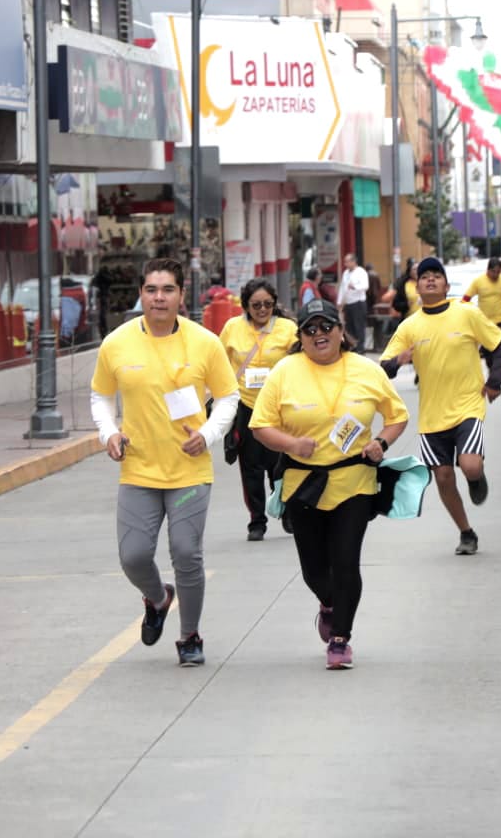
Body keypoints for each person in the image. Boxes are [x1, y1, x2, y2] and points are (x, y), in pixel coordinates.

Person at [89, 258, 239, 668]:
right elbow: (101, 396)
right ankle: (158, 598)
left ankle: (189, 635)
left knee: (186, 553)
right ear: (141, 294)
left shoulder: (204, 342)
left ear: (180, 295)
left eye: (168, 289)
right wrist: (109, 433)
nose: (159, 297)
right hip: (138, 468)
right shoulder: (116, 343)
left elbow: (228, 397)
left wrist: (208, 435)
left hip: (189, 470)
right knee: (133, 556)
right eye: (152, 289)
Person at [250, 298, 409, 669]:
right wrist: (292, 444)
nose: (319, 334)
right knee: (314, 569)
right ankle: (329, 602)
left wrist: (381, 442)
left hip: (354, 480)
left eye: (326, 327)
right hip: (303, 482)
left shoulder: (367, 371)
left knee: (346, 561)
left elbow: (397, 416)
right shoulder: (285, 371)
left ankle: (340, 639)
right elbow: (260, 426)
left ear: (341, 332)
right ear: (300, 337)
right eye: (310, 329)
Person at [379, 257, 501, 555]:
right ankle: (466, 532)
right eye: (425, 277)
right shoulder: (410, 326)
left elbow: (499, 343)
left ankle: (476, 477)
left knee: (470, 465)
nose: (431, 280)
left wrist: (495, 382)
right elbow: (383, 366)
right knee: (443, 477)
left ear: (446, 285)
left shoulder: (467, 314)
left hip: (467, 406)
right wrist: (398, 361)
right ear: (417, 286)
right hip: (432, 416)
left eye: (437, 275)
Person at [219, 278, 298, 541]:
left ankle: (287, 510)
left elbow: (301, 361)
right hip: (247, 406)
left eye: (267, 304)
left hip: (279, 408)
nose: (262, 310)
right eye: (256, 305)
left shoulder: (288, 328)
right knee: (250, 467)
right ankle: (257, 521)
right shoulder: (232, 328)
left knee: (282, 464)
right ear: (245, 306)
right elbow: (218, 362)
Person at [462, 256, 501, 375]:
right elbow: (466, 298)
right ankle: (490, 365)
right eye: (493, 271)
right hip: (484, 320)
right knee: (488, 348)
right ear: (488, 270)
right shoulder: (478, 281)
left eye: (498, 272)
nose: (495, 275)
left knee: (499, 345)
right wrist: (462, 309)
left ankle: (498, 370)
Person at [335, 253, 370, 352]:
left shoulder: (361, 272)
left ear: (353, 262)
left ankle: (360, 348)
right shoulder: (345, 273)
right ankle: (352, 346)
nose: (345, 264)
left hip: (358, 302)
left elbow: (365, 286)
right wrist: (339, 301)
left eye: (347, 262)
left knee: (358, 326)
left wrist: (355, 287)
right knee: (349, 326)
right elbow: (342, 288)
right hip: (348, 303)